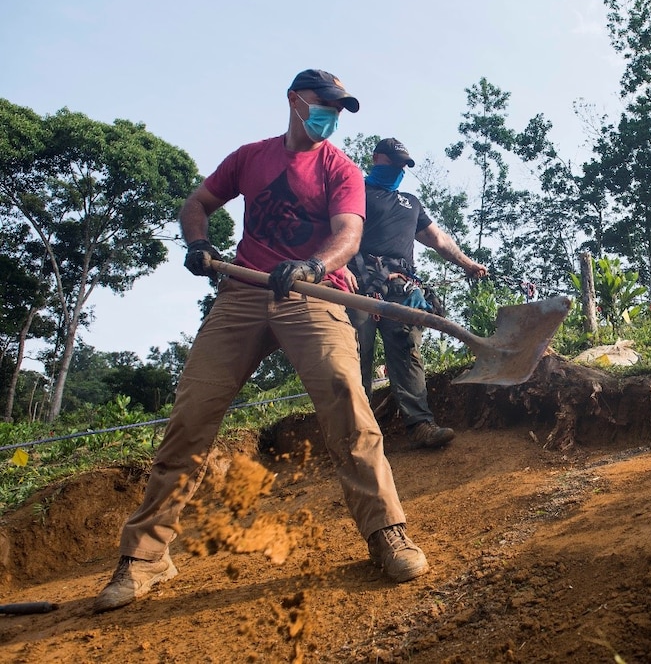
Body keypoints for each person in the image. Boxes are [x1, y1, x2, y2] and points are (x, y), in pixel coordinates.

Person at [93, 70, 428, 614]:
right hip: (243, 292)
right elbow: (196, 203)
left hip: (316, 294)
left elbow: (349, 234)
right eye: (325, 105)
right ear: (295, 101)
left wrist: (315, 265)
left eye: (340, 110)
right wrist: (199, 242)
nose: (332, 117)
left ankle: (387, 532)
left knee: (347, 400)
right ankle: (146, 556)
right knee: (192, 413)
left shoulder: (339, 167)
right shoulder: (250, 157)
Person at [345, 137, 487, 449]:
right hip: (357, 286)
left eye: (403, 165)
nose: (398, 169)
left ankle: (421, 425)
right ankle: (357, 435)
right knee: (356, 356)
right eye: (393, 162)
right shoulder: (355, 191)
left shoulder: (410, 202)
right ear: (376, 158)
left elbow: (437, 239)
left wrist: (467, 264)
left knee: (408, 351)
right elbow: (335, 230)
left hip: (401, 288)